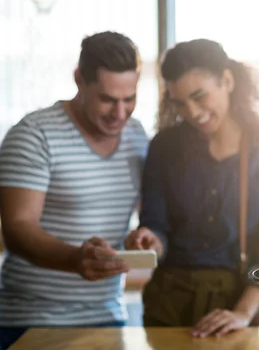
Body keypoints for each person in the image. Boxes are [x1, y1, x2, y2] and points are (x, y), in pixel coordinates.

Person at [125, 39, 259, 338]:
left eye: (199, 96)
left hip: (238, 300)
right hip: (167, 302)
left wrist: (243, 311)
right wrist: (150, 240)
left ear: (227, 81)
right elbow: (157, 227)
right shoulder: (164, 147)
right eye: (179, 103)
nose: (191, 111)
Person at [0, 31, 148, 349]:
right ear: (79, 79)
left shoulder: (137, 136)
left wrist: (143, 238)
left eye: (130, 99)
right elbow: (16, 228)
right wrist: (75, 259)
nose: (120, 114)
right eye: (107, 99)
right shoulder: (34, 135)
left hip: (108, 316)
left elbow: (141, 214)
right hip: (31, 319)